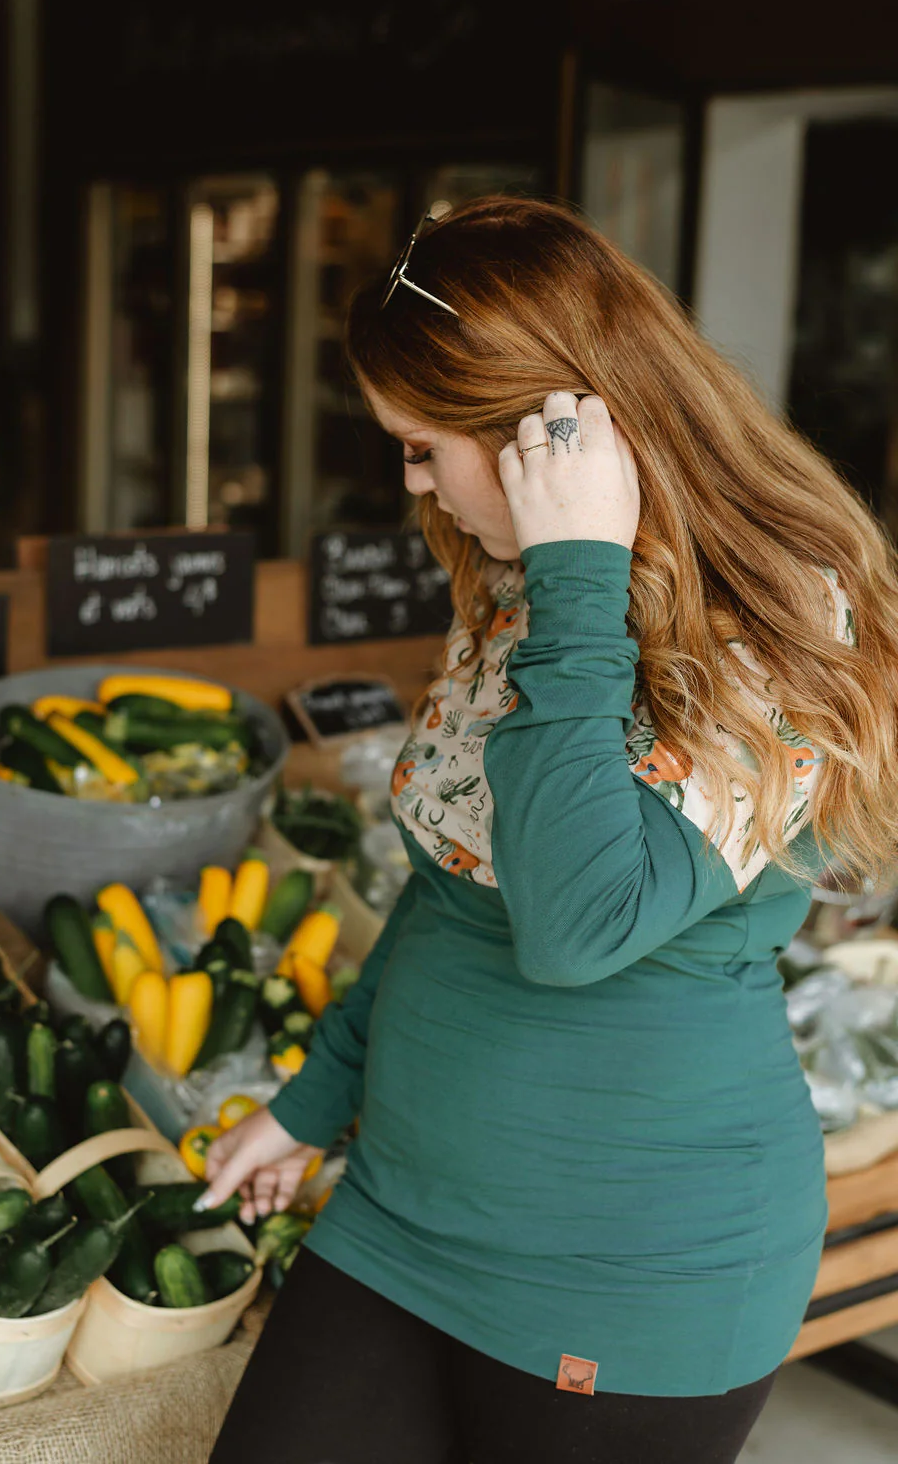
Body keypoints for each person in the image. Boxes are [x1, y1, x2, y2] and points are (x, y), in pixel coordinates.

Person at [204, 197, 898, 1464]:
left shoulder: (781, 615)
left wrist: (579, 577)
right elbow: (452, 887)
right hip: (401, 1212)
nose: (408, 482)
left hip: (630, 1273)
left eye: (422, 447)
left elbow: (577, 924)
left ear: (545, 429)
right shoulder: (513, 575)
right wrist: (316, 1099)